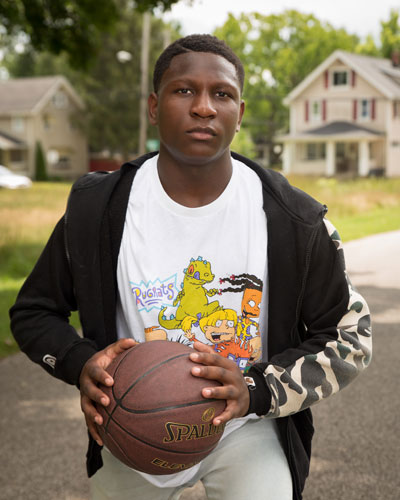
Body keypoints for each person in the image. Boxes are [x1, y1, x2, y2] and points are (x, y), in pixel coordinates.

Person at [10, 34, 372, 500]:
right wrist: (82, 364)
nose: (204, 107)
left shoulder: (293, 220)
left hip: (245, 424)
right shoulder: (99, 210)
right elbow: (33, 312)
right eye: (184, 91)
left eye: (222, 94)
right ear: (154, 107)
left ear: (239, 114)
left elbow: (352, 336)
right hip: (135, 423)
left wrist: (256, 389)